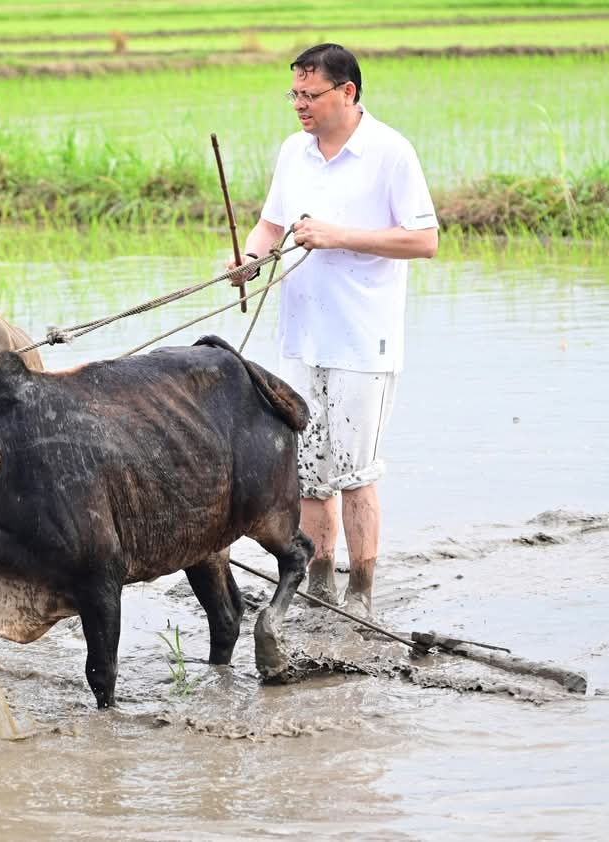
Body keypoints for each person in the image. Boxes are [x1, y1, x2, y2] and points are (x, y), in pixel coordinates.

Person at [228, 43, 438, 618]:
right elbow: (272, 222)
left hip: (362, 342)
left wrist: (338, 234)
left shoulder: (390, 153)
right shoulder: (294, 152)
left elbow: (424, 240)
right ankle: (320, 587)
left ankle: (362, 596)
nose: (299, 104)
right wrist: (251, 256)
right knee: (310, 475)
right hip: (300, 338)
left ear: (346, 92)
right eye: (293, 93)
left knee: (355, 474)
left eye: (310, 94)